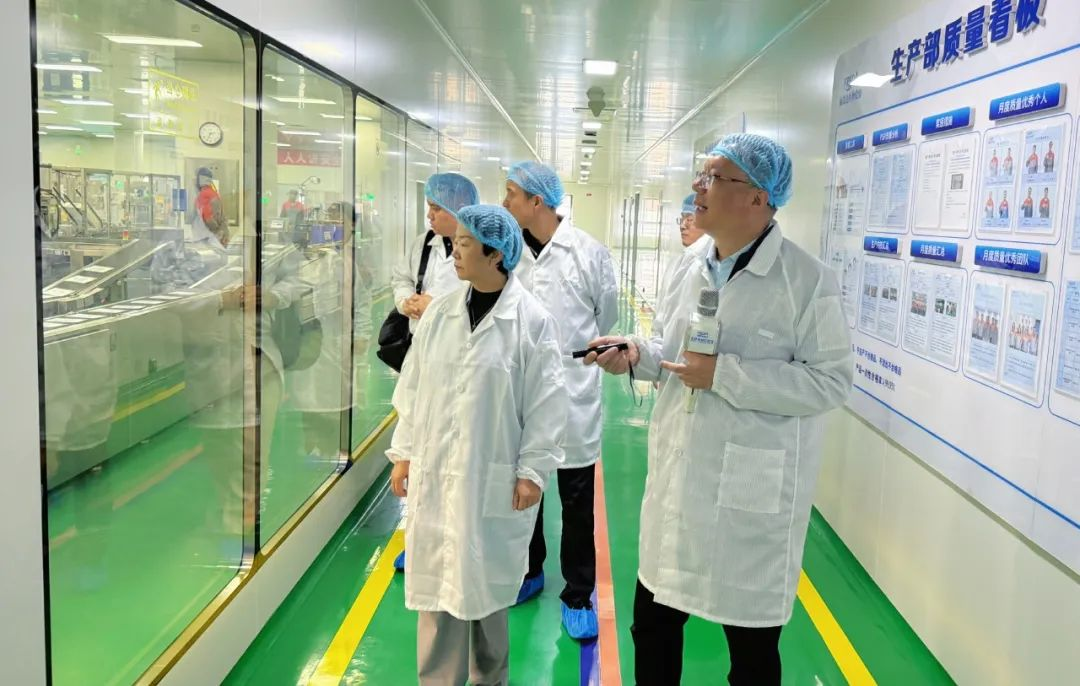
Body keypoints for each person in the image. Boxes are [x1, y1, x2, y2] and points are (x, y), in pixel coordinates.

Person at [586, 133, 853, 685]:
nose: (696, 186)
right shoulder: (688, 264)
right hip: (679, 483)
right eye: (701, 174)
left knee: (751, 657)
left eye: (713, 177)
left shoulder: (806, 282)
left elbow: (830, 382)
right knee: (652, 631)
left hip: (750, 499)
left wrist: (725, 376)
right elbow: (671, 352)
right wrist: (635, 354)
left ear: (758, 196)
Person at [387, 204, 568, 686]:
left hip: (492, 475)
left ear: (496, 254)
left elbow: (547, 404)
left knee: (486, 592)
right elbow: (413, 388)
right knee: (437, 594)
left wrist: (532, 472)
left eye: (465, 243)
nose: (456, 251)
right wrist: (403, 454)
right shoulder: (441, 313)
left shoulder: (531, 321)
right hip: (436, 471)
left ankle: (490, 679)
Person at [501, 160, 618, 640]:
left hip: (572, 394)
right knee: (524, 489)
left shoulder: (587, 253)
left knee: (575, 500)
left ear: (537, 201)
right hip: (519, 393)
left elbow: (606, 317)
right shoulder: (507, 254)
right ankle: (529, 571)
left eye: (511, 193)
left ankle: (578, 593)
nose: (504, 202)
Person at [389, 172, 478, 571]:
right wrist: (406, 301)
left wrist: (435, 305)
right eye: (430, 208)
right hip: (422, 356)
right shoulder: (422, 244)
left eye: (437, 208)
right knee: (420, 459)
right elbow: (400, 278)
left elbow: (478, 292)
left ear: (458, 209)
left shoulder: (478, 248)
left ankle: (453, 544)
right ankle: (421, 543)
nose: (430, 215)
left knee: (452, 462)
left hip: (460, 364)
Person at [654, 193, 710, 351]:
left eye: (690, 219)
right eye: (682, 219)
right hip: (665, 354)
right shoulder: (676, 264)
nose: (683, 225)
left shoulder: (712, 267)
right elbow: (661, 317)